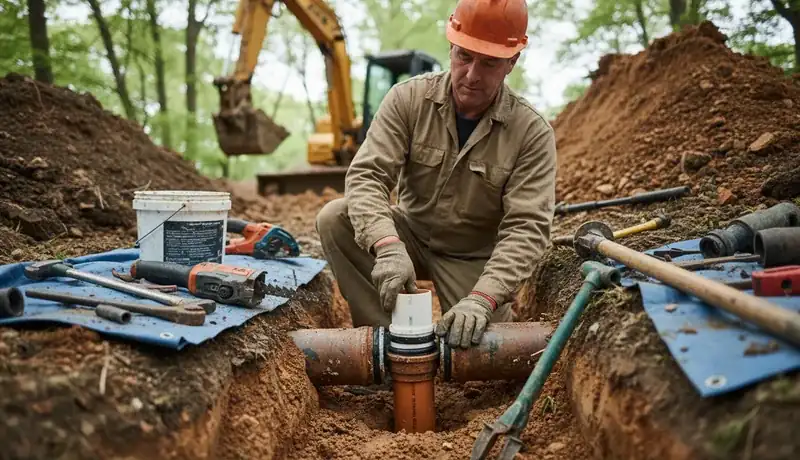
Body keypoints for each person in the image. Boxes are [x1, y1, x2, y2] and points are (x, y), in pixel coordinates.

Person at [316, 0, 556, 348]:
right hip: (409, 235)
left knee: (486, 352)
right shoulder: (408, 99)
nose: (472, 75)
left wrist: (483, 299)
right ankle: (382, 344)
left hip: (472, 255)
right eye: (464, 56)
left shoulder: (531, 133)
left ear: (512, 62)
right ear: (451, 47)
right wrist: (387, 246)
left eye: (489, 63)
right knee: (335, 218)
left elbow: (528, 227)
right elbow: (367, 176)